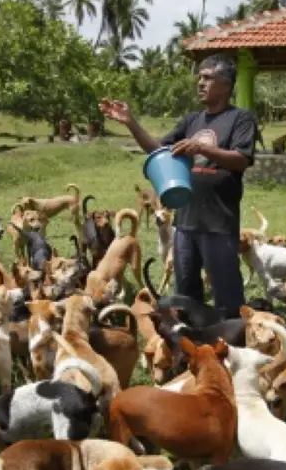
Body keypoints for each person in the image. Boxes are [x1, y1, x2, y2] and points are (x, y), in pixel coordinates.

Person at [100, 54, 257, 318]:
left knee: (226, 295)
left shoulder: (240, 119)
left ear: (226, 84)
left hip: (218, 222)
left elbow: (241, 160)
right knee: (185, 295)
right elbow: (158, 151)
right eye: (200, 77)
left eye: (208, 78)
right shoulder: (192, 121)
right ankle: (192, 344)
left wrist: (202, 147)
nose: (200, 83)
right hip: (185, 220)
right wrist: (131, 123)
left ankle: (233, 343)